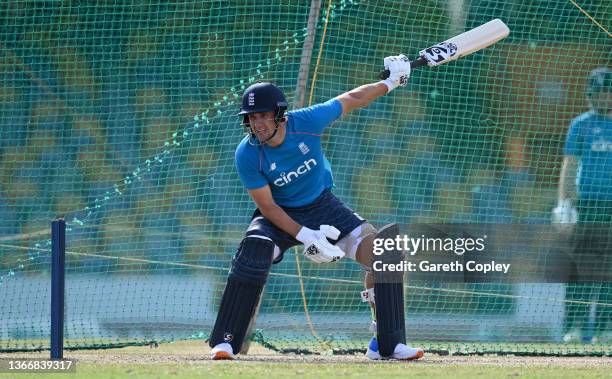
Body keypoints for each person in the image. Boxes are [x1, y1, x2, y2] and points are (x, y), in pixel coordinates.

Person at [208, 55, 424, 360]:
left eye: (262, 116)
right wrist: (306, 236)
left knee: (385, 254)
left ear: (280, 114)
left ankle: (386, 343)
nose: (256, 123)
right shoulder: (246, 154)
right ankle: (226, 341)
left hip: (322, 205)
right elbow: (267, 207)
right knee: (253, 250)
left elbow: (352, 98)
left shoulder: (306, 122)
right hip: (279, 215)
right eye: (251, 118)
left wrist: (390, 82)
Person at [552, 66, 612, 344]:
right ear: (590, 94)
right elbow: (569, 165)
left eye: (608, 93)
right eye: (599, 93)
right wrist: (565, 205)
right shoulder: (581, 124)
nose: (604, 98)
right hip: (587, 204)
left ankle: (605, 329)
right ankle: (573, 328)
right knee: (579, 268)